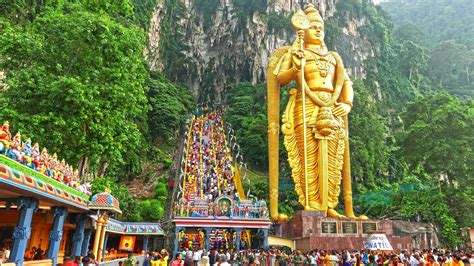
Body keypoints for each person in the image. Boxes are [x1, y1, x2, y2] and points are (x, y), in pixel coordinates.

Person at [267, 3, 366, 221]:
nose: (318, 29)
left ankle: (330, 205)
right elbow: (280, 78)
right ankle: (311, 204)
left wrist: (347, 103)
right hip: (306, 107)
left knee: (333, 159)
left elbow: (346, 82)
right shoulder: (297, 53)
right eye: (313, 26)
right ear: (303, 30)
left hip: (331, 108)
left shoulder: (333, 57)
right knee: (307, 157)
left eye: (321, 26)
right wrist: (296, 66)